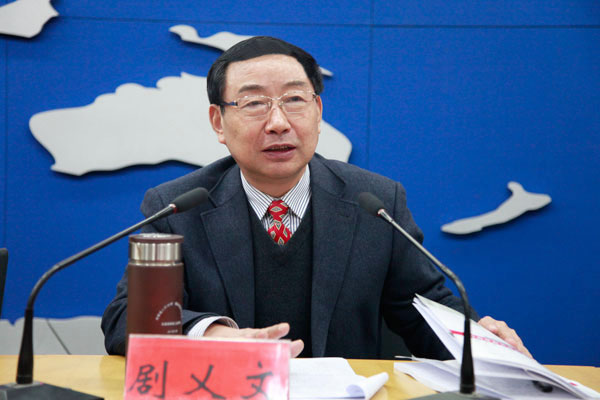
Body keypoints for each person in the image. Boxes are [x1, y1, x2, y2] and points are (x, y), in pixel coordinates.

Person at [102, 36, 530, 359]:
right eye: (254, 103)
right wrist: (214, 335)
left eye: (294, 99)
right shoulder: (177, 207)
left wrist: (481, 342)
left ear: (318, 111)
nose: (278, 122)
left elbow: (423, 310)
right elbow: (127, 319)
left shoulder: (377, 202)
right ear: (218, 122)